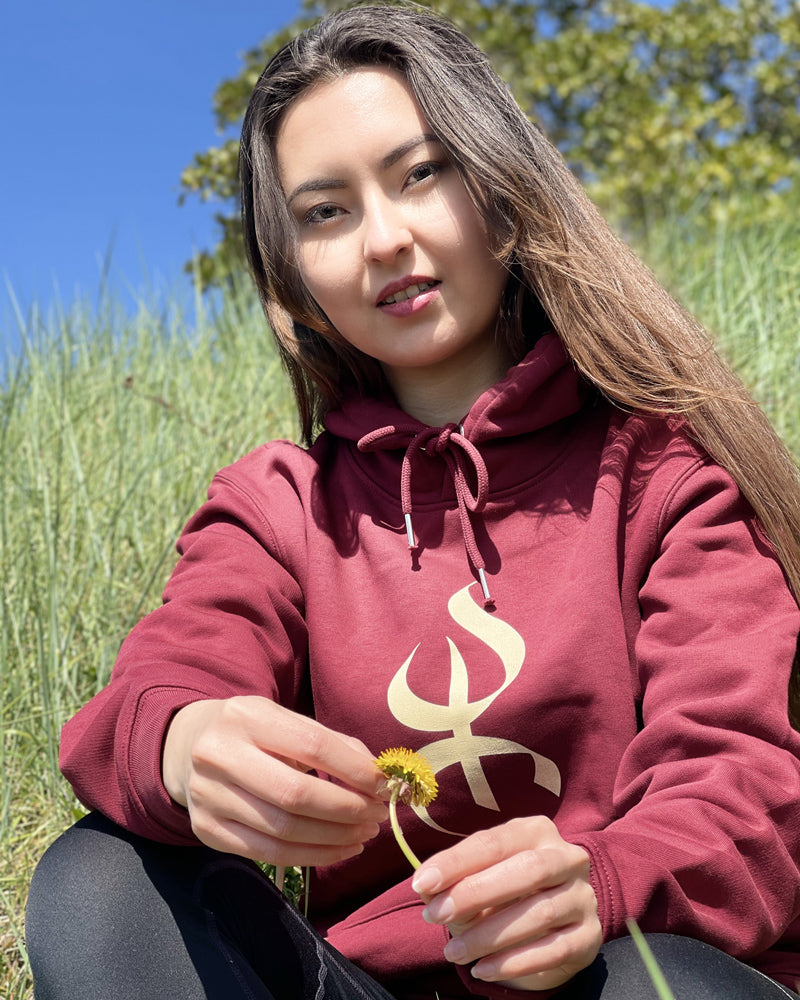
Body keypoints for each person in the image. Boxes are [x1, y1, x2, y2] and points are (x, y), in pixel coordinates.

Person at [25, 4, 800, 999]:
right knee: (101, 883)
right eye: (325, 212)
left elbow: (746, 795)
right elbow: (160, 683)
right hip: (368, 981)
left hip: (617, 970)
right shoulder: (278, 506)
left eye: (420, 173)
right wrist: (184, 743)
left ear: (503, 195)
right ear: (295, 283)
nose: (383, 238)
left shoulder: (662, 471)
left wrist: (602, 883)